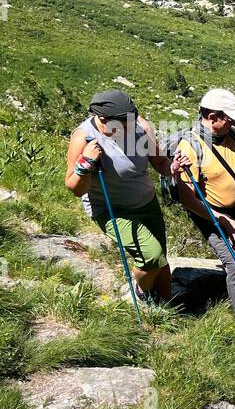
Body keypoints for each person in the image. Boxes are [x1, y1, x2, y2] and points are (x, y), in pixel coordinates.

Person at [170, 89, 235, 337]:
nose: (232, 123)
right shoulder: (190, 147)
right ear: (212, 117)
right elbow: (188, 198)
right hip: (214, 215)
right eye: (228, 119)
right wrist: (224, 222)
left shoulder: (231, 134)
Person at [65, 89, 174, 302]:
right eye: (122, 125)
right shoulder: (83, 138)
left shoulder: (140, 127)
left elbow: (160, 162)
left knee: (161, 259)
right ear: (103, 120)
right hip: (111, 209)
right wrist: (85, 163)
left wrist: (174, 167)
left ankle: (166, 307)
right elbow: (75, 188)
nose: (127, 129)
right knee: (151, 256)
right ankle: (140, 292)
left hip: (146, 202)